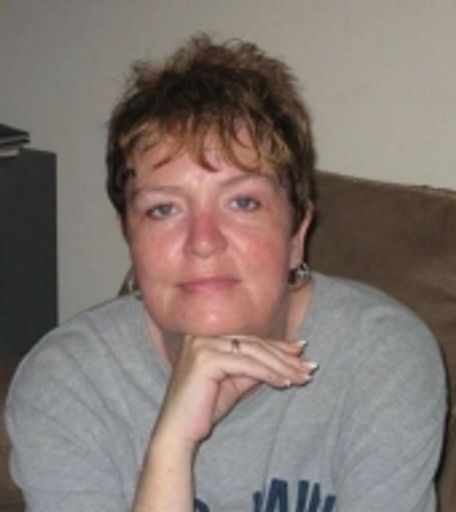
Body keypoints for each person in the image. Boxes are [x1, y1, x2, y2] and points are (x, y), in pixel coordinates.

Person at [6, 34, 446, 512]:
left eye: (242, 202)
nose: (203, 240)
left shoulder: (380, 359)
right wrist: (172, 445)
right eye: (163, 209)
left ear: (297, 232)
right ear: (130, 236)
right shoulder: (67, 384)